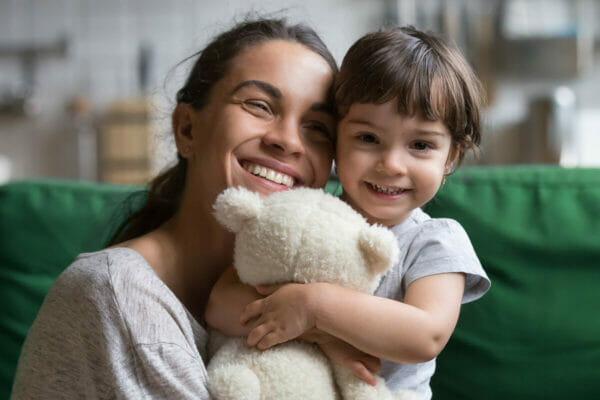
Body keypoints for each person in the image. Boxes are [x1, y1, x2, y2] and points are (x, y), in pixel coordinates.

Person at [10, 17, 341, 399]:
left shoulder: (307, 298)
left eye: (317, 128)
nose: (289, 141)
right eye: (259, 105)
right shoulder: (117, 294)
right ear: (187, 129)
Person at [207, 26, 491, 400]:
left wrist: (315, 307)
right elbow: (220, 303)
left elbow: (426, 335)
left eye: (420, 145)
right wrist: (322, 337)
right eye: (368, 138)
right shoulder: (303, 214)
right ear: (337, 137)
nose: (391, 165)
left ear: (451, 156)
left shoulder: (435, 239)